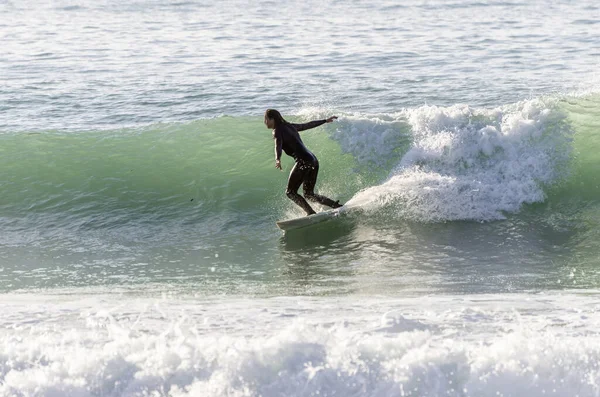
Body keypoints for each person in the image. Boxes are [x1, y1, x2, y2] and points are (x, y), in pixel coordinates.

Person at [264, 109, 343, 216]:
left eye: (266, 119)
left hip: (303, 161)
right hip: (313, 160)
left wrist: (278, 158)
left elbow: (278, 145)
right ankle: (336, 206)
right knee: (309, 194)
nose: (265, 122)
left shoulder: (277, 130)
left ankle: (310, 213)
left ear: (272, 119)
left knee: (290, 192)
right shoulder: (290, 126)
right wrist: (325, 120)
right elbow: (307, 125)